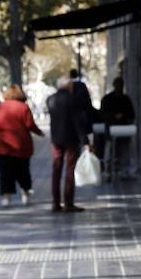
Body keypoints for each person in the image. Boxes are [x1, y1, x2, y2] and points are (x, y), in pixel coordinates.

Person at [0, 85, 43, 207]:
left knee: (5, 171)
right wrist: (40, 133)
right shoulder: (24, 108)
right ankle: (25, 194)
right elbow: (30, 125)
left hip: (2, 145)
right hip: (21, 145)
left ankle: (6, 197)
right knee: (23, 170)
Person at [48, 76, 91, 213]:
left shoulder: (50, 100)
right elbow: (77, 122)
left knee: (56, 170)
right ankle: (68, 202)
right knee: (69, 170)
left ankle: (55, 202)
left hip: (56, 139)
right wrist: (85, 141)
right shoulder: (73, 100)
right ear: (68, 86)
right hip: (71, 139)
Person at [97, 76, 136, 165]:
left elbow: (132, 115)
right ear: (114, 85)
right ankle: (108, 169)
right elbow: (102, 114)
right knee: (110, 150)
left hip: (124, 130)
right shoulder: (107, 99)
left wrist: (125, 118)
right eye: (118, 85)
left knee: (124, 151)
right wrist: (114, 116)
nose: (119, 87)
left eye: (121, 85)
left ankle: (123, 168)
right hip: (111, 130)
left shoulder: (126, 99)